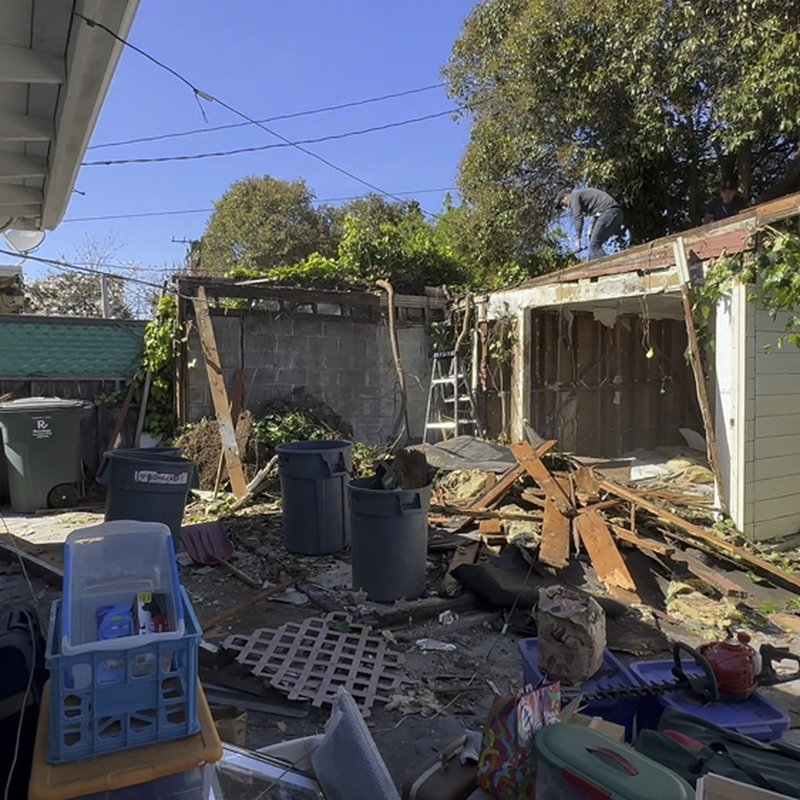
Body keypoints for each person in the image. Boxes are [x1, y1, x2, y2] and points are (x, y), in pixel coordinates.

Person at [557, 187, 624, 261]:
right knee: (593, 248)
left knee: (594, 246)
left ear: (565, 196)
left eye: (563, 204)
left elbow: (578, 217)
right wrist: (592, 227)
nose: (564, 207)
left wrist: (577, 239)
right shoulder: (581, 195)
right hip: (614, 213)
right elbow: (597, 212)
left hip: (609, 212)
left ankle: (609, 266)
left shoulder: (574, 196)